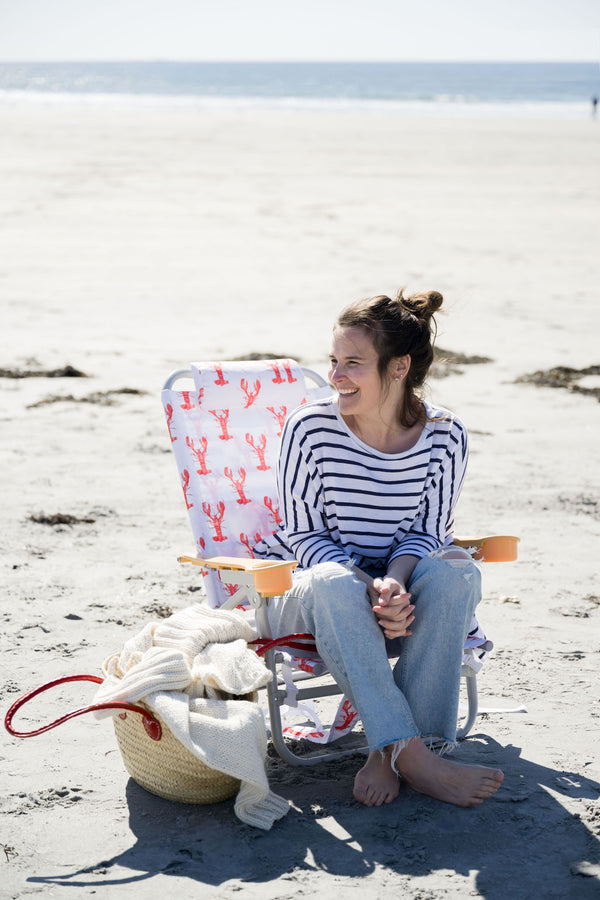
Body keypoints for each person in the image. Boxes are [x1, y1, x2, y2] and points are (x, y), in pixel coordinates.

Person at [255, 289, 504, 808]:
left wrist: (395, 581)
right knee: (333, 581)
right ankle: (412, 753)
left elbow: (431, 531)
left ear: (399, 367)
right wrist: (371, 587)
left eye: (353, 363)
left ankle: (388, 752)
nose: (336, 376)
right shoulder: (309, 428)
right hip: (322, 597)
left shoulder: (445, 434)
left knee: (456, 572)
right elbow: (303, 537)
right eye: (333, 361)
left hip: (400, 594)